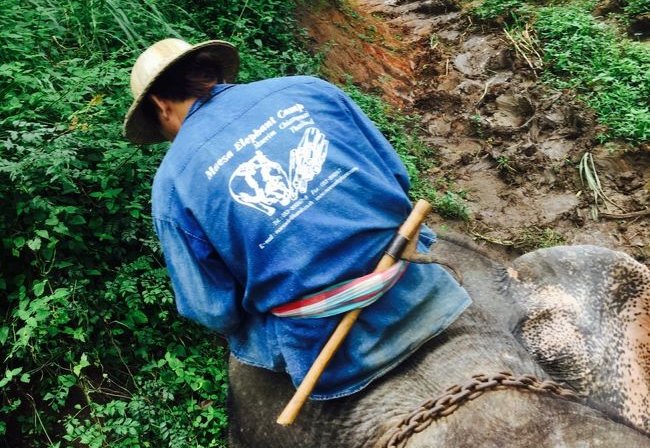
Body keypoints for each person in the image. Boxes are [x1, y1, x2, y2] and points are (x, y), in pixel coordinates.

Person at [124, 38, 471, 399]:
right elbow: (397, 178)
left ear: (159, 105)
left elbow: (211, 309)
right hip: (410, 281)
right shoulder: (309, 89)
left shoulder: (171, 185)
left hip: (326, 345)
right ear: (209, 69)